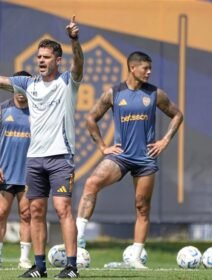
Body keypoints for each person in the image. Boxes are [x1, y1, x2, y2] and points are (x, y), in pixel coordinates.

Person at [0, 16, 83, 279]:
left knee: (63, 209)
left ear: (58, 60)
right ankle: (40, 267)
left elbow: (79, 64)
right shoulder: (28, 84)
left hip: (60, 157)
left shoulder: (68, 82)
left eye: (46, 57)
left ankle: (71, 266)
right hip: (35, 159)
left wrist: (74, 40)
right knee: (36, 211)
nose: (41, 61)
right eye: (38, 57)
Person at [75, 51, 184, 269]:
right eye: (146, 68)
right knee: (90, 184)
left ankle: (135, 257)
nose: (149, 72)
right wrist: (103, 147)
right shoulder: (113, 93)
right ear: (132, 68)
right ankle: (77, 243)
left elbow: (177, 114)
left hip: (145, 159)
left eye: (150, 68)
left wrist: (164, 141)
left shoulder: (155, 94)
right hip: (121, 157)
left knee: (142, 207)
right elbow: (90, 118)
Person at [0, 70, 32, 269]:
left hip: (29, 174)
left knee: (26, 215)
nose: (21, 91)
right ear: (12, 87)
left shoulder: (37, 111)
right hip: (4, 172)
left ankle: (24, 258)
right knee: (0, 214)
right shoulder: (1, 109)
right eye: (17, 87)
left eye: (25, 87)